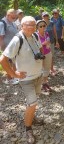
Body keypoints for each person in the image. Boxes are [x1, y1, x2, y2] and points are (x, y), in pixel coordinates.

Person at [0, 16, 44, 144]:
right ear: (22, 26)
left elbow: (39, 49)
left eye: (33, 25)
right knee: (32, 103)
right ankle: (28, 129)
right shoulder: (17, 39)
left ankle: (32, 118)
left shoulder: (35, 36)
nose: (31, 27)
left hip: (38, 76)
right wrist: (14, 74)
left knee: (33, 101)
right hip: (26, 79)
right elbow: (3, 60)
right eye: (28, 25)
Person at [0, 9, 19, 84]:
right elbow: (1, 37)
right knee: (7, 63)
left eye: (15, 17)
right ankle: (9, 79)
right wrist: (1, 49)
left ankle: (14, 76)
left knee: (14, 62)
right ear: (7, 15)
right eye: (13, 17)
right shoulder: (2, 23)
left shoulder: (12, 22)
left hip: (14, 47)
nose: (14, 19)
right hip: (6, 47)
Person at [36, 20, 52, 92]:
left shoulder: (46, 33)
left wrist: (48, 44)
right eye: (41, 26)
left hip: (48, 52)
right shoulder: (36, 35)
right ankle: (41, 84)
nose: (43, 27)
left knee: (47, 68)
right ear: (37, 27)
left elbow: (48, 41)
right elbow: (35, 46)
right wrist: (43, 43)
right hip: (40, 54)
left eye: (44, 26)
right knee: (41, 69)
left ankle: (45, 83)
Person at [42, 11, 59, 76]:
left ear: (48, 16)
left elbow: (55, 33)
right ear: (42, 17)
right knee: (43, 56)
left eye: (46, 16)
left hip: (51, 42)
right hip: (43, 43)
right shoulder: (41, 23)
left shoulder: (52, 23)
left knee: (51, 56)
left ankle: (51, 69)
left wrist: (57, 41)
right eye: (44, 16)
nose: (45, 17)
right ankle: (45, 70)